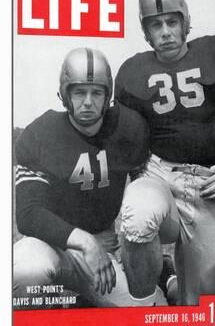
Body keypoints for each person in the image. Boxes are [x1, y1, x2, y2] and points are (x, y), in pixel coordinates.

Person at [115, 0, 215, 305]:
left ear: (185, 21)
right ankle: (146, 307)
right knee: (137, 215)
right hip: (159, 176)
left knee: (200, 307)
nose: (165, 31)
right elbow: (125, 144)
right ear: (146, 31)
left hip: (209, 184)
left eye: (171, 22)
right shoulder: (132, 73)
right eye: (156, 24)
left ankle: (171, 280)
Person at [14, 47, 169, 307]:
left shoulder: (126, 128)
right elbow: (28, 214)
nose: (88, 101)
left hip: (103, 249)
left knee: (145, 313)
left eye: (96, 92)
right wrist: (86, 241)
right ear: (65, 94)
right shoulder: (41, 134)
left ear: (107, 94)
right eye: (79, 92)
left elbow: (145, 184)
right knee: (25, 270)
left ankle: (165, 271)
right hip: (50, 246)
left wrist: (125, 248)